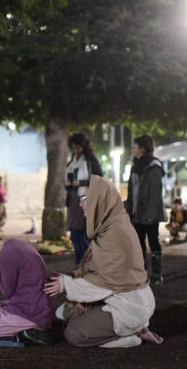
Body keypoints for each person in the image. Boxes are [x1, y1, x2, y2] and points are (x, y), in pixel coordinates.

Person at [44, 175, 163, 348]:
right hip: (122, 299)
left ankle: (128, 337)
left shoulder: (115, 234)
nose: (80, 203)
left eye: (85, 198)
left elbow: (105, 282)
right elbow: (98, 274)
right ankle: (136, 329)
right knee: (68, 315)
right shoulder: (110, 225)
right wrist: (67, 279)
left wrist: (65, 285)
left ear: (99, 200)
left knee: (74, 333)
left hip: (130, 307)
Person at [124, 134, 166, 286]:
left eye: (135, 147)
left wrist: (150, 215)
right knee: (138, 242)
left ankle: (156, 275)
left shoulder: (153, 166)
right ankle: (141, 273)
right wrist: (128, 207)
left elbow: (155, 193)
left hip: (149, 213)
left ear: (142, 148)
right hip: (136, 212)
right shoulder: (136, 165)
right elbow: (132, 190)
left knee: (153, 241)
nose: (133, 150)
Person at [65, 133, 103, 264]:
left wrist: (80, 182)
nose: (76, 151)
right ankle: (85, 265)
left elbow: (98, 179)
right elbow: (68, 177)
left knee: (80, 235)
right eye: (74, 148)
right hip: (74, 201)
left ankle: (85, 264)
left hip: (86, 200)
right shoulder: (73, 160)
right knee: (78, 235)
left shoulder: (91, 160)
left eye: (78, 148)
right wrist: (68, 183)